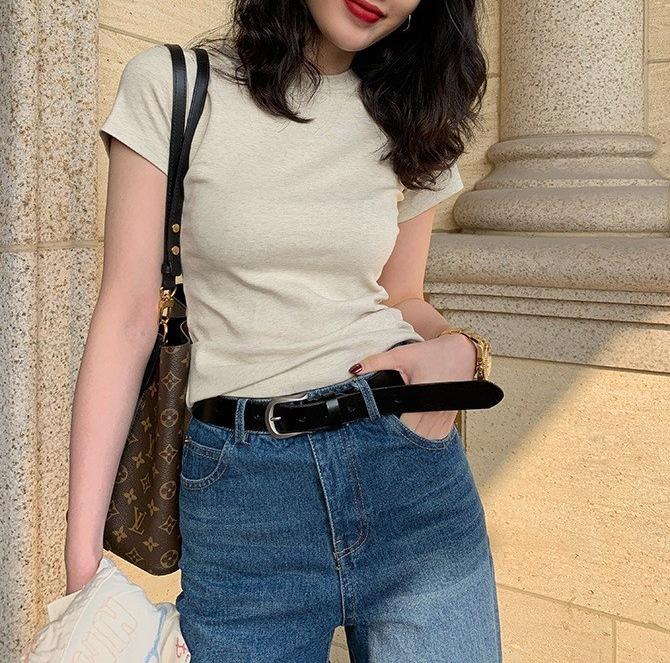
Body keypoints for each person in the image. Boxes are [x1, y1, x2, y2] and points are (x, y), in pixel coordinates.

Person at [66, 0, 502, 660]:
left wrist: (461, 351)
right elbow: (127, 317)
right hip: (245, 499)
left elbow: (402, 296)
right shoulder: (175, 85)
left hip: (411, 476)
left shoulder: (413, 112)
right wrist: (82, 559)